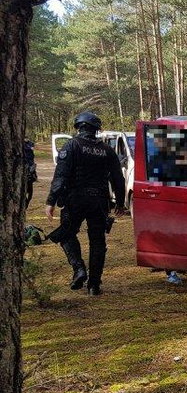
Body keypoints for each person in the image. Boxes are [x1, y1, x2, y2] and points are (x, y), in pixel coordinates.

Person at [45, 111, 126, 296]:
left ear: (79, 127)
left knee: (66, 233)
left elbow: (61, 176)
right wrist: (120, 204)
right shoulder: (107, 150)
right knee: (98, 242)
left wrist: (51, 201)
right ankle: (94, 285)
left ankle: (79, 269)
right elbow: (118, 178)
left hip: (75, 200)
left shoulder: (72, 145)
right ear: (96, 129)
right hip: (99, 201)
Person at [24, 139, 37, 209]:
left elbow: (32, 146)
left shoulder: (30, 143)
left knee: (30, 194)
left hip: (30, 166)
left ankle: (27, 203)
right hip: (25, 167)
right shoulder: (22, 144)